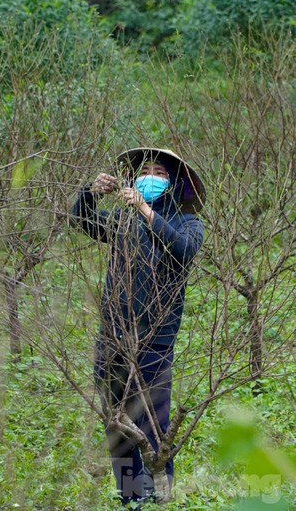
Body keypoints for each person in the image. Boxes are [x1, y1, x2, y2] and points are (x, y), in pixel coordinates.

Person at [70, 147, 205, 505]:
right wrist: (90, 193)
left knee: (155, 426)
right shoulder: (122, 221)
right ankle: (131, 497)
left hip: (155, 341)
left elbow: (183, 250)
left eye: (159, 173)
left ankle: (162, 494)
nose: (150, 177)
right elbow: (81, 221)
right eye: (144, 171)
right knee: (118, 424)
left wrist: (145, 211)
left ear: (174, 184)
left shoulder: (187, 222)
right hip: (114, 336)